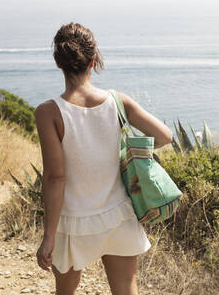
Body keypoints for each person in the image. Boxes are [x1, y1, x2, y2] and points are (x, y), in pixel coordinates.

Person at [34, 22, 173, 295]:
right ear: (93, 61)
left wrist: (48, 236)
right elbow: (165, 136)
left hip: (73, 221)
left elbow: (55, 178)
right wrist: (129, 153)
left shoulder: (48, 112)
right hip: (118, 215)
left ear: (58, 63)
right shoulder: (117, 101)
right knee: (125, 290)